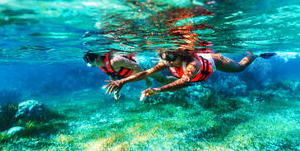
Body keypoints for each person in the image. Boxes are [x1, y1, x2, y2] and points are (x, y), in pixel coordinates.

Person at [103, 49, 276, 100]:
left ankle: (256, 54)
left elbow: (185, 81)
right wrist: (122, 81)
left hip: (215, 62)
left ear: (180, 54)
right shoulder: (167, 60)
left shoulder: (193, 63)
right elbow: (146, 72)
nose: (168, 62)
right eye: (164, 58)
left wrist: (158, 90)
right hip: (199, 75)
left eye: (171, 57)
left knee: (239, 68)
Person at [83, 50, 174, 99]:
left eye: (93, 61)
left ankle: (183, 80)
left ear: (98, 56)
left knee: (163, 80)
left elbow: (136, 66)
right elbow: (112, 76)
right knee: (161, 80)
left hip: (143, 65)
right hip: (139, 72)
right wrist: (116, 91)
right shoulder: (102, 65)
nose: (94, 64)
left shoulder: (115, 60)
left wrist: (147, 78)